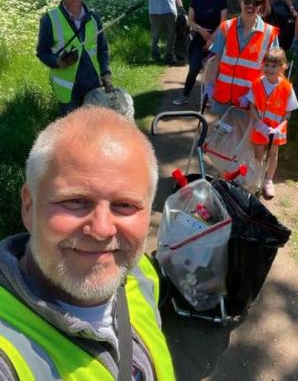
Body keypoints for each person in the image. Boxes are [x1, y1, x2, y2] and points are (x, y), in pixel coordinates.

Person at [0, 106, 175, 380]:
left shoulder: (140, 271)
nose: (102, 230)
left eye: (125, 205)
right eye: (75, 201)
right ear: (28, 206)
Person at [37, 0, 112, 116]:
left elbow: (102, 49)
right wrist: (57, 62)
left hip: (93, 84)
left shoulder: (94, 18)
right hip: (67, 89)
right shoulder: (50, 20)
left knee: (95, 127)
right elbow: (42, 52)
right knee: (74, 132)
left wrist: (105, 73)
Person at [206, 0, 280, 115]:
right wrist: (209, 85)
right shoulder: (226, 27)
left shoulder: (269, 34)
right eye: (246, 0)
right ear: (240, 1)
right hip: (223, 99)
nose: (250, 5)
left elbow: (272, 72)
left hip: (249, 103)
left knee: (243, 135)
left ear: (261, 6)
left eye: (256, 2)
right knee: (221, 134)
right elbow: (215, 61)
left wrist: (253, 96)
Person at [248, 48, 298, 198]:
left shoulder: (287, 87)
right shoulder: (257, 84)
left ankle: (268, 180)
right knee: (258, 155)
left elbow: (288, 112)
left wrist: (281, 126)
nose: (269, 69)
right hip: (260, 127)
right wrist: (259, 123)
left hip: (276, 129)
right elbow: (251, 106)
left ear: (282, 67)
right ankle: (256, 179)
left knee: (272, 154)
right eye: (267, 65)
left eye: (274, 66)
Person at [173, 0, 228, 106]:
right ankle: (185, 95)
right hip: (198, 39)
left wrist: (212, 38)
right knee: (194, 68)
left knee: (215, 69)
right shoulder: (196, 0)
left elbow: (223, 23)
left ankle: (211, 98)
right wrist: (200, 29)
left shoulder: (222, 0)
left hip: (217, 40)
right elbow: (190, 21)